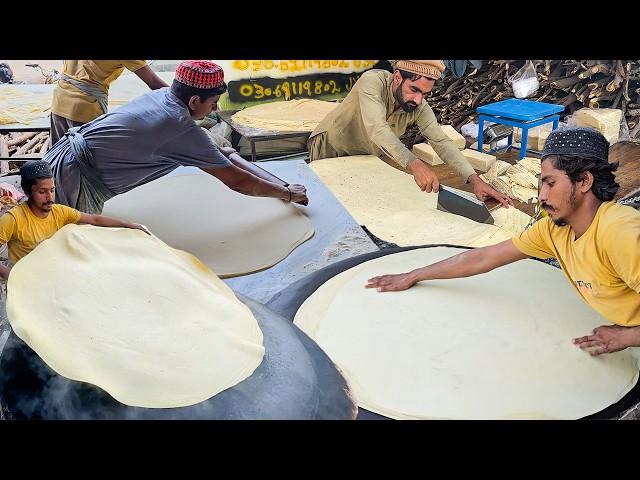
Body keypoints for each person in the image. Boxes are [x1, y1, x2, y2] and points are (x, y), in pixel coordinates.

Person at [365, 127, 640, 356]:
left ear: (584, 181)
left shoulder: (619, 233)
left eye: (550, 183)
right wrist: (415, 275)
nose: (542, 196)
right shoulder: (554, 231)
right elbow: (483, 258)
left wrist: (625, 338)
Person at [44, 60, 308, 215]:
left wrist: (221, 151)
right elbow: (238, 181)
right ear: (194, 101)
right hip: (73, 181)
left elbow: (220, 156)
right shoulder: (180, 128)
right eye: (214, 102)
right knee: (64, 243)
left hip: (58, 159)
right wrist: (286, 193)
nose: (215, 109)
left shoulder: (160, 97)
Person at [308, 59, 510, 206]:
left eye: (424, 93)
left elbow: (441, 141)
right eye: (414, 89)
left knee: (356, 205)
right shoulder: (372, 82)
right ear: (397, 77)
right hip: (331, 147)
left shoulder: (418, 105)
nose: (418, 99)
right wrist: (415, 165)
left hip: (366, 156)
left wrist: (474, 180)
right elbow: (377, 129)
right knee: (328, 204)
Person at [0, 161, 149, 280]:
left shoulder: (59, 212)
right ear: (28, 192)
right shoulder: (14, 219)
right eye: (42, 192)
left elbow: (94, 219)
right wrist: (11, 276)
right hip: (26, 278)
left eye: (52, 190)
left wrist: (129, 225)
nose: (49, 197)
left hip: (53, 274)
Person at [50, 60, 169, 145]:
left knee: (57, 160)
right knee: (87, 166)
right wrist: (181, 99)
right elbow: (153, 82)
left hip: (59, 99)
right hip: (85, 106)